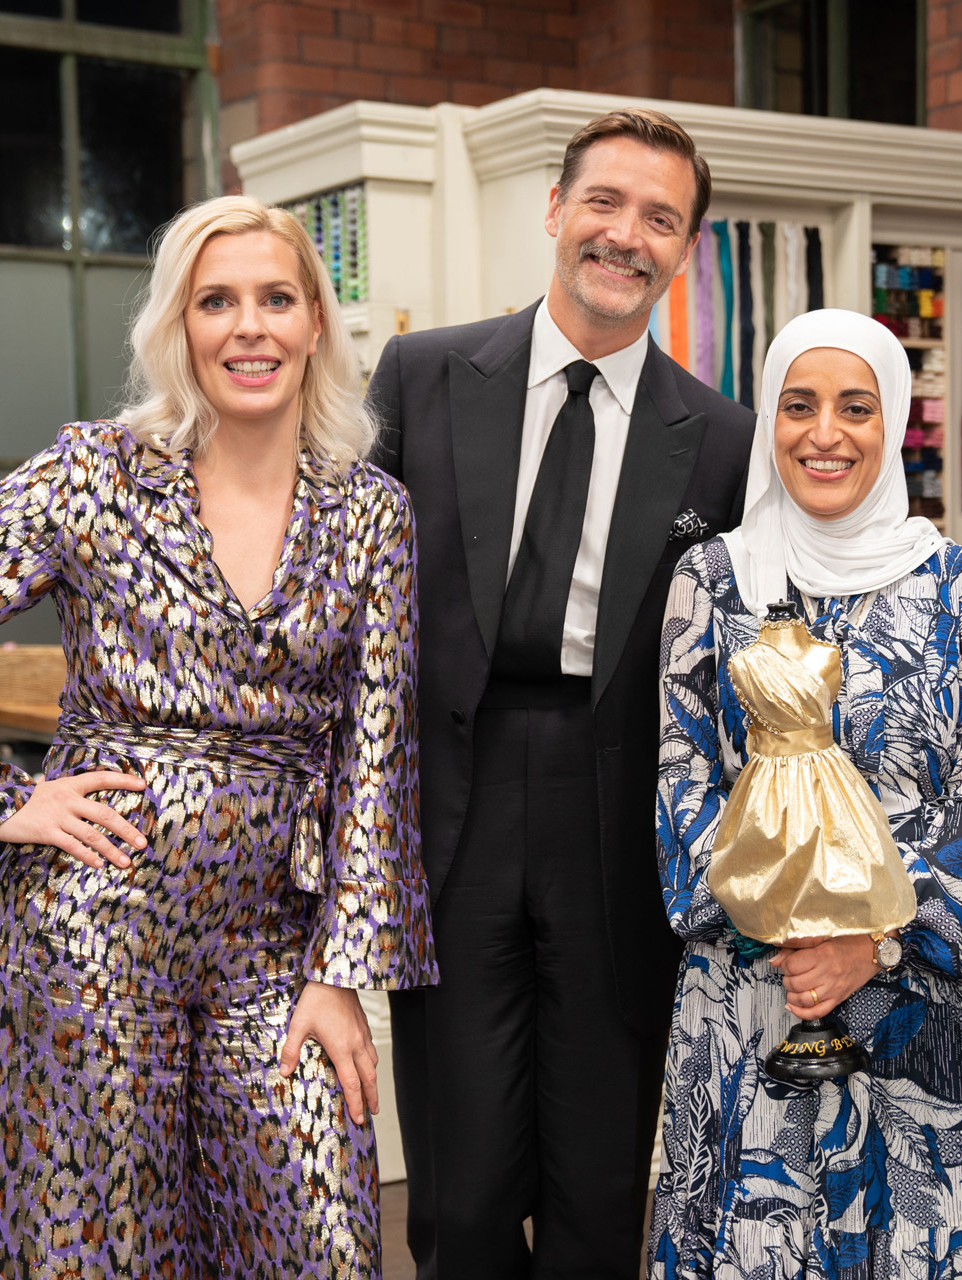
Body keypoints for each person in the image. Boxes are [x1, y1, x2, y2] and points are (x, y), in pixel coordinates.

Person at [0, 195, 433, 1278]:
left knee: (321, 1230)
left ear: (313, 324)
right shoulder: (95, 474)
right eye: (217, 301)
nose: (247, 326)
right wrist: (2, 799)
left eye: (274, 298)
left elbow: (378, 749)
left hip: (277, 940)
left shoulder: (373, 512)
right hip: (94, 922)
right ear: (179, 326)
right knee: (95, 1236)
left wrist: (345, 968)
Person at [366, 108, 754, 1279]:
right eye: (605, 202)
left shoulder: (723, 438)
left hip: (620, 809)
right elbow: (353, 592)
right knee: (463, 1186)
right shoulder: (424, 375)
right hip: (456, 802)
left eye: (659, 219)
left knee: (595, 1182)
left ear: (684, 249)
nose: (624, 235)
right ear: (555, 209)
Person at [649, 309, 962, 1278]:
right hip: (757, 1002)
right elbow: (681, 775)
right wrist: (779, 919)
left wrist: (878, 939)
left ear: (893, 419)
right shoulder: (715, 579)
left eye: (856, 407)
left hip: (920, 1017)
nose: (826, 433)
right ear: (769, 424)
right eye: (800, 405)